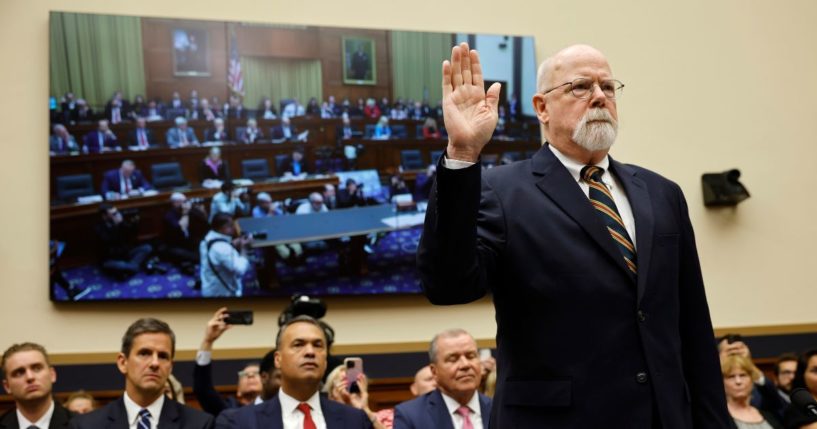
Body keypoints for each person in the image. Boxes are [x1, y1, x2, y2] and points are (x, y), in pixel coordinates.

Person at [417, 42, 731, 428]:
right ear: (542, 107)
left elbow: (693, 325)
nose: (599, 96)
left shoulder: (662, 193)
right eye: (580, 87)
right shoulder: (501, 191)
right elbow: (448, 286)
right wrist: (463, 153)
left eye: (608, 87)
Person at [217, 315, 373, 429]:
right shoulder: (239, 422)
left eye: (318, 345)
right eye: (299, 344)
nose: (310, 352)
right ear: (278, 359)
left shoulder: (355, 420)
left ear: (325, 361)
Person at [69, 318, 214, 429]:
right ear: (122, 362)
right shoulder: (86, 426)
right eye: (145, 354)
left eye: (163, 356)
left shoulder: (199, 424)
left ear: (170, 367)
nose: (155, 363)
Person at [394, 329, 492, 429]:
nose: (465, 365)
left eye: (471, 356)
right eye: (453, 359)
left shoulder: (499, 410)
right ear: (434, 371)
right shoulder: (410, 416)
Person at [194, 308, 263, 417]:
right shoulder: (228, 410)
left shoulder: (277, 410)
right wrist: (208, 341)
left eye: (256, 373)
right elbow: (203, 389)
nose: (250, 375)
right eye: (244, 374)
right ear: (238, 391)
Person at [1, 342, 74, 428]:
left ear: (52, 375)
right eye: (19, 373)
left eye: (37, 368)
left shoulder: (79, 425)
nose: (30, 377)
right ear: (7, 386)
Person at [94, 203, 155, 279]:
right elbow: (110, 244)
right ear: (104, 216)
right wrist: (116, 227)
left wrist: (128, 223)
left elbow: (131, 235)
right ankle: (134, 267)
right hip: (111, 258)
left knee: (147, 248)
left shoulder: (119, 222)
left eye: (117, 212)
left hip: (125, 253)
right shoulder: (99, 228)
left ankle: (130, 269)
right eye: (114, 214)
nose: (117, 215)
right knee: (120, 265)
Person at [722, 355, 783, 429]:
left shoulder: (767, 412)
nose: (738, 381)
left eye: (743, 375)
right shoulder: (719, 416)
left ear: (752, 379)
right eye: (731, 376)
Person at [200, 213, 251, 298]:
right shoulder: (222, 249)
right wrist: (244, 248)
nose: (234, 228)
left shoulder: (206, 239)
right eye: (231, 226)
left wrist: (231, 244)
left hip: (208, 285)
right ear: (222, 228)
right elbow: (240, 269)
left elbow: (217, 253)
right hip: (221, 293)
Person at [323, 365, 387, 428]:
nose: (347, 386)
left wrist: (365, 410)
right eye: (343, 382)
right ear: (331, 393)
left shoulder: (383, 417)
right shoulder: (321, 419)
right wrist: (339, 407)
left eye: (351, 382)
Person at [161, 192, 208, 275]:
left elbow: (204, 222)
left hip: (189, 243)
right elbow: (180, 228)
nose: (184, 204)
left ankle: (188, 262)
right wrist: (185, 214)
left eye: (185, 201)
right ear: (174, 203)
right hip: (175, 245)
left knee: (204, 248)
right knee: (194, 256)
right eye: (182, 202)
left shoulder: (188, 210)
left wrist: (199, 210)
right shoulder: (169, 215)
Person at [253, 192, 304, 263]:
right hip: (269, 235)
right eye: (267, 203)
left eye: (270, 202)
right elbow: (262, 226)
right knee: (284, 251)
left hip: (281, 231)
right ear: (261, 203)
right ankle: (289, 258)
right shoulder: (256, 211)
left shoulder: (274, 208)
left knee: (296, 246)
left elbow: (284, 219)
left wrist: (284, 210)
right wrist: (270, 212)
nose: (270, 204)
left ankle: (297, 255)